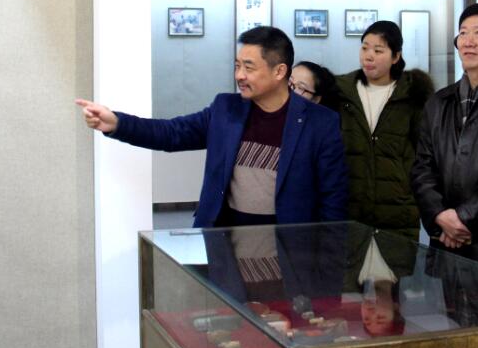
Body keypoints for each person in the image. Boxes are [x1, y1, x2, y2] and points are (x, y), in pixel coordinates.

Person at [76, 26, 348, 227]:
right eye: (237, 66)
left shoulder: (320, 122)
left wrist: (326, 258)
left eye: (249, 68)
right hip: (225, 240)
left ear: (279, 71)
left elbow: (333, 198)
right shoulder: (225, 109)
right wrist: (117, 123)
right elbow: (171, 133)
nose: (239, 75)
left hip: (290, 247)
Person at [411, 2, 478, 267]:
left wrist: (464, 218)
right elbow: (422, 167)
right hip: (446, 243)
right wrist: (440, 216)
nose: (468, 41)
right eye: (463, 33)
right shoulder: (439, 102)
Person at [335, 21, 434, 241]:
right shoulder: (342, 92)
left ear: (395, 56)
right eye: (364, 48)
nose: (368, 56)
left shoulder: (412, 96)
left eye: (378, 50)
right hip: (351, 209)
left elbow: (425, 155)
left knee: (393, 262)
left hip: (398, 213)